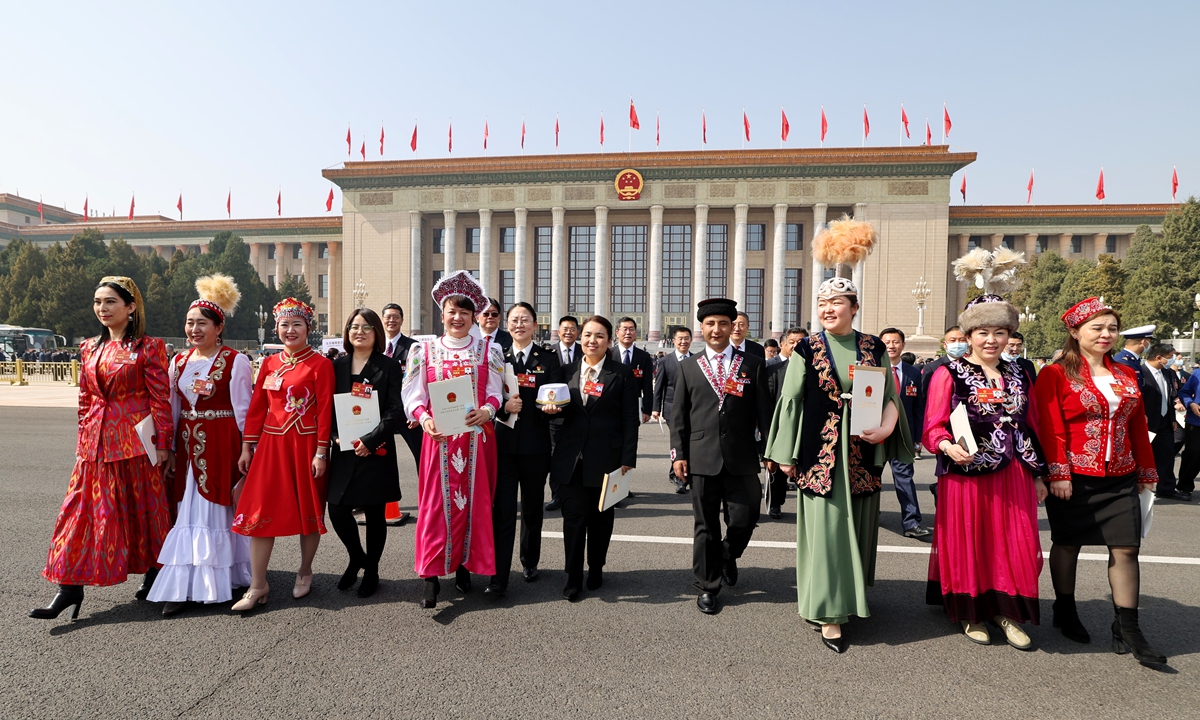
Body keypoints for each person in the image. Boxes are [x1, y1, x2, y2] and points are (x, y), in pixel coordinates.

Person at [764, 274, 913, 653]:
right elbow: (792, 400)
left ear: (854, 308)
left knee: (859, 529)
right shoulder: (807, 349)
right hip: (820, 455)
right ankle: (828, 612)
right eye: (822, 303)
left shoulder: (873, 346)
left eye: (837, 302)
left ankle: (851, 596)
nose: (828, 309)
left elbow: (891, 397)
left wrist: (885, 429)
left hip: (863, 454)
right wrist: (785, 455)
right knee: (828, 534)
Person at [30, 276, 174, 621]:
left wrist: (164, 444)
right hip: (94, 447)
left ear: (130, 307)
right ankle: (68, 588)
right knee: (79, 515)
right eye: (97, 302)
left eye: (110, 301)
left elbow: (160, 398)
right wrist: (82, 440)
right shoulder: (89, 348)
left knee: (144, 512)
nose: (102, 308)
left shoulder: (148, 347)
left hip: (135, 444)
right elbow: (85, 399)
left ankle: (156, 574)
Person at [1034, 297, 1166, 666]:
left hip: (1121, 475)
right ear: (1075, 332)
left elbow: (1137, 425)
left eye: (1112, 328)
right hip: (1074, 476)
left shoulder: (1125, 374)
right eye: (1098, 327)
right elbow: (1051, 426)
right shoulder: (1055, 373)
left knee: (1126, 549)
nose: (1107, 334)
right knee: (1068, 543)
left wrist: (1147, 471)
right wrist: (1057, 472)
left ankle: (1128, 626)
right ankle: (1065, 608)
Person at [922, 293, 1048, 650]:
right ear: (968, 335)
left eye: (1000, 332)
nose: (992, 340)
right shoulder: (949, 372)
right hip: (966, 474)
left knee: (1013, 540)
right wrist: (947, 445)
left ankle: (1007, 610)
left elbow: (1032, 423)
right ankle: (972, 612)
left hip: (1015, 472)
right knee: (970, 540)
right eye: (982, 332)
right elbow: (933, 426)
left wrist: (1039, 474)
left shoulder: (1021, 372)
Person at [148, 274, 253, 617]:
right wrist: (169, 448)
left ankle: (223, 579)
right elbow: (173, 409)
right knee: (187, 510)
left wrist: (246, 449)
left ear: (218, 327)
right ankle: (182, 584)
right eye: (190, 323)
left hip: (222, 443)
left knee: (216, 509)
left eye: (202, 323)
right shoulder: (178, 362)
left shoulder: (235, 361)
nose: (194, 329)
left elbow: (243, 410)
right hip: (187, 448)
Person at [401, 271, 504, 608]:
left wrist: (487, 412)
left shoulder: (489, 349)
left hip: (476, 441)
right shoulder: (423, 350)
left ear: (474, 315)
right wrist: (424, 418)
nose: (457, 317)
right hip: (439, 441)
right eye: (451, 310)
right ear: (441, 314)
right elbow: (412, 397)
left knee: (474, 507)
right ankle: (430, 576)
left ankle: (464, 567)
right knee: (434, 508)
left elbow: (495, 394)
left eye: (464, 311)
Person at [231, 298, 334, 612]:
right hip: (271, 448)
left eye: (297, 325)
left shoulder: (320, 365)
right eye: (284, 325)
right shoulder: (270, 364)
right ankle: (257, 584)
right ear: (276, 328)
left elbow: (326, 411)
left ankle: (305, 571)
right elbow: (257, 407)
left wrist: (321, 452)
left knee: (308, 516)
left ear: (309, 329)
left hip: (305, 448)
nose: (290, 330)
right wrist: (248, 446)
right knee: (260, 515)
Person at [672, 299, 771, 615]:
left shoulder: (752, 364)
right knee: (705, 526)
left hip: (741, 456)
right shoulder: (688, 366)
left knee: (747, 515)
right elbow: (679, 417)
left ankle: (728, 555)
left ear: (734, 327)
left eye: (723, 323)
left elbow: (764, 414)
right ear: (702, 328)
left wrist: (770, 451)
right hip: (701, 457)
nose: (716, 329)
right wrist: (679, 455)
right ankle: (707, 586)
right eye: (710, 324)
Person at [548, 315, 639, 601]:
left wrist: (627, 458)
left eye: (599, 336)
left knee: (602, 520)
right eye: (587, 334)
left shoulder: (621, 374)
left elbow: (629, 419)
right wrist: (551, 412)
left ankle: (596, 566)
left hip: (607, 459)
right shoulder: (565, 371)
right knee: (573, 519)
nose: (592, 340)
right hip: (572, 459)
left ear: (609, 341)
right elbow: (557, 410)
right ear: (578, 337)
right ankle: (573, 576)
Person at [327, 308, 405, 598]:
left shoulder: (388, 366)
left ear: (377, 333)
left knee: (374, 514)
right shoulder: (336, 366)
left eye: (366, 327)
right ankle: (356, 556)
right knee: (336, 508)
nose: (359, 332)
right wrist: (335, 435)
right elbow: (328, 406)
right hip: (344, 449)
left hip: (377, 449)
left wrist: (370, 441)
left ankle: (371, 569)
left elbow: (395, 410)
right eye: (354, 326)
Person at [490, 301, 563, 594]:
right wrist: (503, 408)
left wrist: (552, 407)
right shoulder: (497, 357)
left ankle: (530, 560)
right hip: (503, 446)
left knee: (533, 509)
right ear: (507, 325)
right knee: (503, 510)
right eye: (514, 320)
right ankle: (499, 573)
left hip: (536, 446)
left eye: (525, 319)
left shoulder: (548, 358)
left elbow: (557, 394)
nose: (519, 324)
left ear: (535, 325)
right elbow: (485, 396)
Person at [878, 327, 932, 539]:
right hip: (877, 436)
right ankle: (869, 516)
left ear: (903, 345)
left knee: (905, 478)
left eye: (896, 342)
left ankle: (911, 523)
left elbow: (919, 408)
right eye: (887, 342)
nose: (891, 345)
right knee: (871, 478)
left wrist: (918, 438)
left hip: (904, 435)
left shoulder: (913, 373)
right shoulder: (872, 370)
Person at [381, 302, 419, 525]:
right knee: (378, 458)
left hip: (407, 414)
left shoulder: (413, 347)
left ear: (402, 320)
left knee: (420, 455)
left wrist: (414, 412)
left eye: (396, 317)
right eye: (388, 317)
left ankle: (428, 498)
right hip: (383, 413)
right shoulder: (376, 345)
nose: (391, 320)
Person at [764, 327, 805, 517]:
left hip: (807, 426)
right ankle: (775, 503)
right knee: (778, 467)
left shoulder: (815, 368)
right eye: (793, 342)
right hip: (781, 425)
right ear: (784, 345)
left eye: (801, 342)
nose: (797, 346)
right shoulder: (774, 369)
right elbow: (769, 401)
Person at [1141, 343, 1186, 501]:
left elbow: (1171, 397)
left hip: (1165, 422)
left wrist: (1172, 418)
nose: (1173, 359)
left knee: (1166, 456)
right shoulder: (1140, 372)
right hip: (1146, 423)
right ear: (1159, 357)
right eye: (1170, 356)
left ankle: (1166, 488)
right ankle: (1137, 488)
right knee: (1142, 457)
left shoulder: (1168, 373)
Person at [545, 315, 581, 511]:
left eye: (572, 329)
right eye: (565, 329)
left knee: (576, 456)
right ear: (559, 332)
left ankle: (573, 495)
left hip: (578, 414)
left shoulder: (585, 352)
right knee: (555, 456)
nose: (569, 332)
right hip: (554, 415)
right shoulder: (548, 353)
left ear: (578, 332)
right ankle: (557, 495)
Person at [652, 326, 694, 494]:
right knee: (679, 442)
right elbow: (659, 388)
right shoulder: (665, 361)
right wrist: (656, 408)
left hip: (693, 410)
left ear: (691, 340)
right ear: (673, 341)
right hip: (671, 409)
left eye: (686, 338)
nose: (683, 341)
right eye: (680, 339)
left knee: (690, 443)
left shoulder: (697, 359)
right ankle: (680, 479)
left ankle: (680, 473)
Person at [610, 316, 654, 423]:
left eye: (631, 329)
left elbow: (647, 386)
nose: (628, 333)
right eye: (624, 329)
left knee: (631, 438)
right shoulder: (608, 355)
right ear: (617, 332)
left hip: (634, 408)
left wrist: (647, 410)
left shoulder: (644, 356)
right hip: (610, 407)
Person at [1174, 363, 1200, 501]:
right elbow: (1184, 392)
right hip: (1196, 422)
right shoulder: (1197, 374)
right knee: (1193, 455)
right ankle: (1184, 487)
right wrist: (1191, 403)